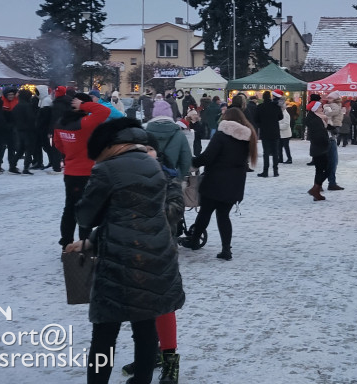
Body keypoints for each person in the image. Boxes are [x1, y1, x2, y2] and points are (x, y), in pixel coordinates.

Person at [67, 117, 185, 384]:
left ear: (108, 146)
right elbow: (137, 215)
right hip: (155, 257)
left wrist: (83, 205)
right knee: (145, 330)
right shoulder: (153, 166)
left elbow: (87, 216)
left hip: (119, 263)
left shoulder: (107, 170)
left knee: (105, 334)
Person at [120, 133, 186, 384]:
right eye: (139, 149)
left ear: (156, 153)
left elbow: (174, 213)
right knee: (139, 309)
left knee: (164, 308)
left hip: (161, 254)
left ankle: (170, 361)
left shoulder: (168, 179)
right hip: (132, 253)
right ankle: (148, 355)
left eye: (149, 149)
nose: (144, 153)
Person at [182, 107, 258, 260]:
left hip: (215, 181)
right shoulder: (248, 137)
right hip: (235, 183)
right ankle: (226, 250)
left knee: (205, 213)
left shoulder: (221, 135)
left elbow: (207, 157)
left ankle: (195, 240)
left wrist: (191, 161)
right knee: (223, 215)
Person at [52, 93, 111, 248]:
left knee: (70, 207)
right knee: (87, 207)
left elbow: (58, 145)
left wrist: (71, 152)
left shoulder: (60, 123)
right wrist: (84, 105)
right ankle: (84, 242)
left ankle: (66, 241)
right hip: (87, 171)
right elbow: (104, 111)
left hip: (70, 172)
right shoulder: (86, 123)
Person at [303, 101, 329, 201]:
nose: (322, 109)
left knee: (319, 170)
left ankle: (316, 192)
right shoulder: (316, 120)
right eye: (320, 107)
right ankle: (315, 188)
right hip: (320, 148)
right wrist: (326, 142)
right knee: (327, 169)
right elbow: (319, 135)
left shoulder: (316, 118)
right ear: (315, 109)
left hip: (317, 148)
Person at [254, 90, 283, 177]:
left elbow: (256, 119)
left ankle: (265, 171)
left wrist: (262, 123)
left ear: (263, 97)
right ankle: (275, 171)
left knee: (266, 152)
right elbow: (281, 117)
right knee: (275, 152)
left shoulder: (260, 107)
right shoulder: (276, 106)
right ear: (270, 97)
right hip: (275, 131)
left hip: (265, 131)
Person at [10, 88, 38, 174]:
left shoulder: (17, 106)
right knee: (29, 149)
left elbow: (13, 118)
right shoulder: (27, 106)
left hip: (19, 130)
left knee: (20, 149)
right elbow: (31, 118)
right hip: (28, 130)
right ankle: (26, 168)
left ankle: (12, 166)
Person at [322, 92, 345, 190]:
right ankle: (326, 183)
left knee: (331, 162)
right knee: (330, 162)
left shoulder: (334, 106)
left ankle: (330, 182)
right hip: (330, 135)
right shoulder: (330, 107)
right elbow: (332, 115)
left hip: (332, 133)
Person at [278, 98, 293, 164]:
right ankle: (280, 158)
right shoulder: (280, 113)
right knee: (279, 147)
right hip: (281, 133)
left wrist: (277, 126)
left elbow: (286, 125)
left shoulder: (286, 114)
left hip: (285, 134)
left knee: (286, 147)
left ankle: (289, 158)